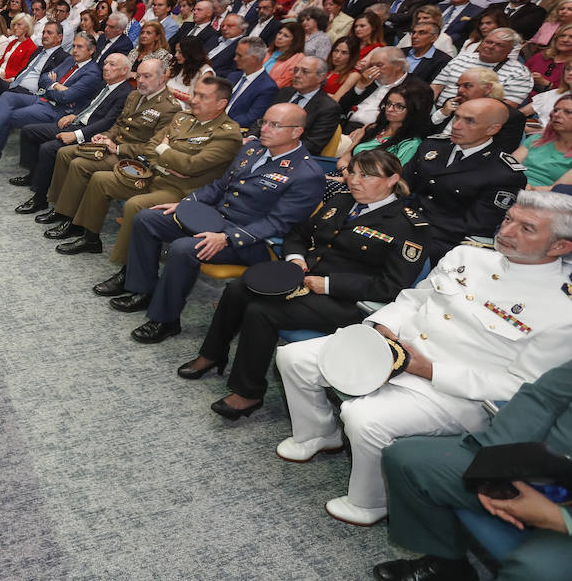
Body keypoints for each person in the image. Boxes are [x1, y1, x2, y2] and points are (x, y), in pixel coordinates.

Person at [275, 191, 572, 527]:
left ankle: (371, 501)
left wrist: (430, 370)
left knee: (363, 418)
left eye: (527, 228)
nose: (505, 231)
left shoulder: (562, 311)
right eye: (508, 219)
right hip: (396, 347)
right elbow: (415, 298)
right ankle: (319, 433)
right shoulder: (468, 255)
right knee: (293, 357)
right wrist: (385, 325)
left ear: (560, 246)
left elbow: (522, 387)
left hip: (454, 391)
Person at [182, 150, 428, 420]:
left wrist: (330, 284)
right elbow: (298, 232)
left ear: (393, 179)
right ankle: (212, 354)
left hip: (346, 303)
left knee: (261, 311)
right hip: (302, 279)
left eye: (366, 176)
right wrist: (296, 258)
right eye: (353, 173)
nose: (355, 181)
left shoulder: (408, 225)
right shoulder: (342, 200)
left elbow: (394, 286)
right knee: (238, 288)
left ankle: (248, 392)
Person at [107, 102, 324, 343]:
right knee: (148, 218)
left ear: (296, 132)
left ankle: (165, 320)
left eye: (275, 125)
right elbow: (219, 187)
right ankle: (143, 290)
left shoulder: (306, 174)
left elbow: (278, 224)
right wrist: (186, 204)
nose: (264, 129)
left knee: (183, 248)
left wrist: (227, 238)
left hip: (250, 242)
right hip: (214, 219)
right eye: (264, 122)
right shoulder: (252, 150)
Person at [376, 358, 572, 581]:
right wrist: (494, 468)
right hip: (542, 467)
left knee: (534, 571)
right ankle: (448, 566)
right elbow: (543, 397)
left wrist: (559, 518)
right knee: (406, 460)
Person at [50, 76, 241, 262]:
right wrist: (167, 159)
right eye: (195, 94)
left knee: (135, 205)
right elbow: (150, 147)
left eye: (203, 96)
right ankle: (89, 238)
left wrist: (164, 149)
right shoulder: (183, 118)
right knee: (100, 179)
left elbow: (190, 167)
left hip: (179, 190)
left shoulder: (228, 134)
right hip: (152, 174)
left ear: (221, 103)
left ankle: (128, 269)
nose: (194, 100)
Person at [402, 97, 529, 261]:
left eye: (470, 121)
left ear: (492, 129)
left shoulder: (504, 174)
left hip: (442, 243)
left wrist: (413, 230)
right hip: (403, 222)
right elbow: (402, 187)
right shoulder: (433, 145)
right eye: (456, 116)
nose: (456, 125)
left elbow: (477, 228)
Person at [0, 31, 101, 176]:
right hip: (43, 99)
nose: (75, 50)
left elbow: (66, 97)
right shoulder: (71, 60)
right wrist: (56, 86)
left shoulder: (92, 73)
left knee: (7, 117)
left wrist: (53, 85)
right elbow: (44, 78)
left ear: (91, 50)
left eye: (80, 47)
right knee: (8, 96)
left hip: (58, 110)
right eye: (74, 46)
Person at [12, 53, 134, 211]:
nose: (105, 67)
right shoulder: (104, 84)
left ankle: (40, 197)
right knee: (29, 131)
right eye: (105, 63)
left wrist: (77, 135)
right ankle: (35, 176)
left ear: (124, 71)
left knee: (48, 149)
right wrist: (74, 114)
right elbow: (89, 105)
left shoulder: (126, 93)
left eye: (112, 65)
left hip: (91, 133)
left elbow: (107, 122)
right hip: (77, 122)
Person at [431, 28, 535, 110]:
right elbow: (436, 86)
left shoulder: (519, 73)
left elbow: (505, 107)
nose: (490, 47)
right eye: (488, 42)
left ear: (510, 50)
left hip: (475, 118)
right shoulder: (462, 58)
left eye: (499, 45)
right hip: (440, 110)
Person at [271, 56, 342, 156]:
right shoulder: (284, 92)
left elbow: (313, 145)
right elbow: (263, 119)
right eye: (295, 70)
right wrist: (252, 137)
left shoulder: (328, 108)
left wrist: (275, 147)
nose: (297, 75)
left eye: (305, 71)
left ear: (320, 77)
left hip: (292, 157)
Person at [514, 94, 572, 190]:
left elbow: (557, 190)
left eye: (568, 112)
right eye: (556, 110)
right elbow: (509, 166)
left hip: (545, 199)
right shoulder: (538, 139)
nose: (557, 115)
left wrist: (530, 189)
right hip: (512, 186)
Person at [224, 37, 279, 128]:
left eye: (239, 55)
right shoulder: (233, 76)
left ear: (253, 58)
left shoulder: (268, 87)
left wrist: (220, 123)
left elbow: (251, 118)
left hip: (231, 129)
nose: (235, 58)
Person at [525, 23, 572, 92]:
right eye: (562, 36)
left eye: (571, 37)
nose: (565, 40)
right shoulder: (541, 56)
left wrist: (547, 84)